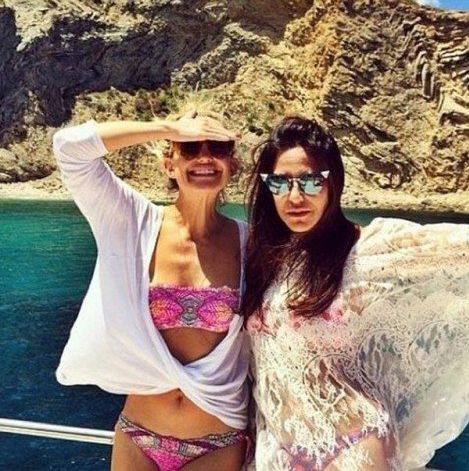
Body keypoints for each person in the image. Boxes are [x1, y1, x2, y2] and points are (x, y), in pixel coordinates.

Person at [243, 115, 469, 470]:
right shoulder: (264, 257)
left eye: (311, 181)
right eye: (280, 182)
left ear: (333, 183)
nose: (295, 196)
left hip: (353, 445)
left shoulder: (367, 250)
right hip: (282, 450)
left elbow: (461, 250)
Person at [53, 109, 251, 470]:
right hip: (138, 437)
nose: (204, 156)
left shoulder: (252, 244)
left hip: (218, 443)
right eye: (189, 147)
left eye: (217, 147)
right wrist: (166, 128)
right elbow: (69, 148)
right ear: (169, 164)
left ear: (232, 164)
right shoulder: (131, 220)